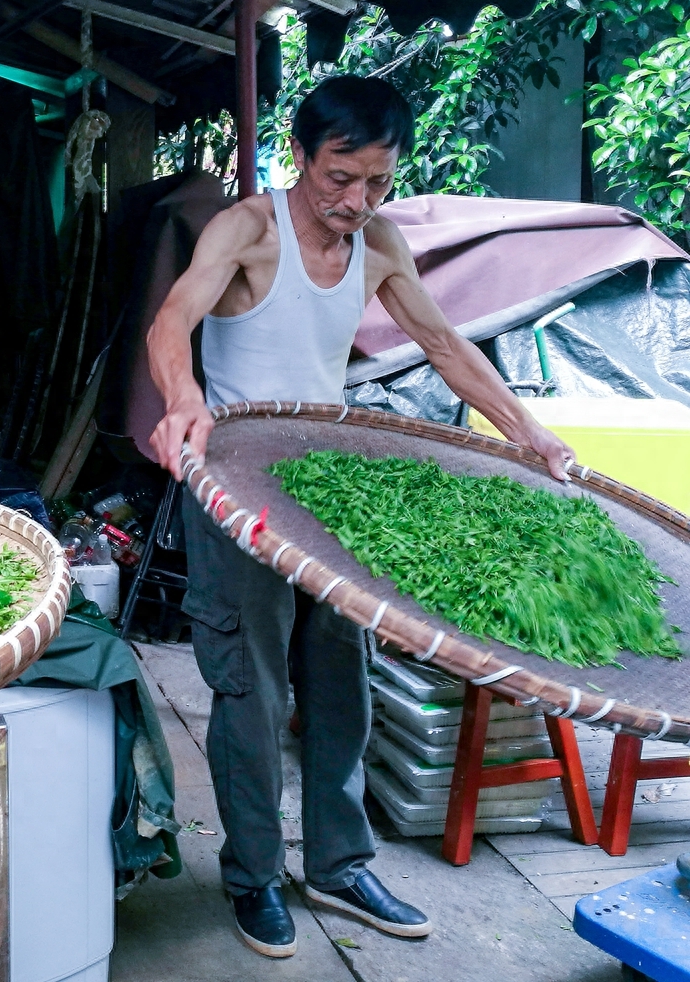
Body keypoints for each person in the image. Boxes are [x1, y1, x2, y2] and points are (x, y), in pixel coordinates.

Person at [144, 75, 574, 959]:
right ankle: (255, 876)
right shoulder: (249, 229)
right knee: (251, 697)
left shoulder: (379, 245)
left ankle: (339, 864)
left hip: (327, 499)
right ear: (301, 156)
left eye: (378, 182)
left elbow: (448, 347)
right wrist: (183, 398)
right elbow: (172, 317)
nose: (357, 200)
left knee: (344, 690)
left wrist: (533, 435)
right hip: (235, 500)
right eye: (341, 176)